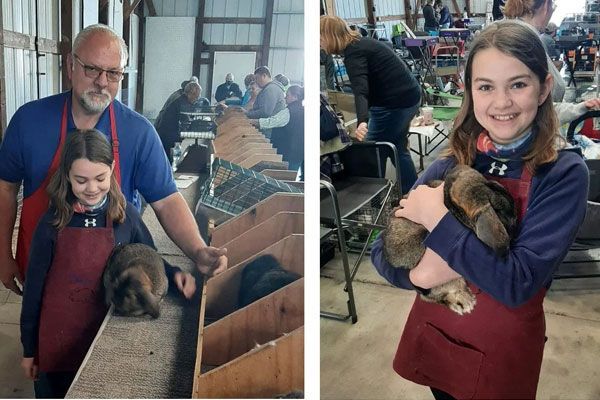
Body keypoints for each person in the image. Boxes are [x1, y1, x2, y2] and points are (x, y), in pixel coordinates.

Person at [370, 20, 588, 399]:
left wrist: (437, 219)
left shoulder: (563, 173)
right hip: (441, 332)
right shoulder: (451, 162)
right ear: (470, 92)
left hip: (502, 345)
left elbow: (517, 282)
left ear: (543, 88)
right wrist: (419, 278)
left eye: (518, 84)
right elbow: (380, 252)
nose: (501, 102)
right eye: (485, 86)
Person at [0, 24, 227, 296]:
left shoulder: (138, 133)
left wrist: (198, 250)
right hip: (43, 279)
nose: (102, 82)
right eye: (92, 69)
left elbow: (167, 200)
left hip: (115, 286)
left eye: (113, 73)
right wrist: (3, 255)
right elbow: (5, 189)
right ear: (71, 65)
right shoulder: (29, 121)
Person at [20, 129, 197, 398]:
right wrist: (29, 349)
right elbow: (33, 291)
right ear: (67, 175)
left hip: (105, 332)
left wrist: (174, 276)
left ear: (112, 169)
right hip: (56, 339)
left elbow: (149, 257)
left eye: (100, 178)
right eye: (81, 180)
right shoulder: (51, 224)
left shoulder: (126, 216)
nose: (91, 188)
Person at [320, 15, 421, 195]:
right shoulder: (361, 43)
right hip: (409, 97)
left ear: (330, 36)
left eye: (320, 39)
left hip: (394, 104)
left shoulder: (354, 53)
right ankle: (412, 192)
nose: (319, 44)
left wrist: (362, 120)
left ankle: (372, 200)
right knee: (396, 146)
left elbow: (361, 90)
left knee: (372, 151)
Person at [503, 0, 600, 121]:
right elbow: (539, 111)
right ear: (545, 7)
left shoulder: (515, 35)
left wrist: (579, 108)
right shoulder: (526, 42)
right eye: (553, 7)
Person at [155, 81, 210, 162]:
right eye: (196, 97)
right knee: (168, 158)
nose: (197, 100)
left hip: (161, 127)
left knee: (164, 156)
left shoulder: (179, 94)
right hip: (167, 132)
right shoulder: (182, 103)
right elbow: (185, 123)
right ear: (190, 94)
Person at [269, 85, 304, 171]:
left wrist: (256, 122)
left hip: (287, 151)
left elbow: (271, 122)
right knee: (292, 175)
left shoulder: (289, 111)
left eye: (287, 95)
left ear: (295, 97)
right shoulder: (303, 110)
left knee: (284, 176)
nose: (285, 98)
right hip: (299, 152)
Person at [246, 66, 286, 138]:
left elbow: (265, 112)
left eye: (257, 78)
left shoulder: (270, 89)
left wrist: (248, 114)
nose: (256, 82)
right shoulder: (269, 88)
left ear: (264, 76)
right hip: (267, 128)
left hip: (269, 130)